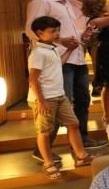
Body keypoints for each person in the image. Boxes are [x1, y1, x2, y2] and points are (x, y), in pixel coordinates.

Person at [27, 16, 96, 179]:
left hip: (59, 95)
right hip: (44, 98)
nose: (57, 34)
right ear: (39, 33)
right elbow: (33, 78)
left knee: (73, 123)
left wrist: (70, 50)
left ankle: (81, 156)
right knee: (44, 131)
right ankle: (48, 164)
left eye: (58, 30)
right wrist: (41, 101)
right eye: (52, 31)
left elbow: (59, 63)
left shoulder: (52, 49)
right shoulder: (37, 52)